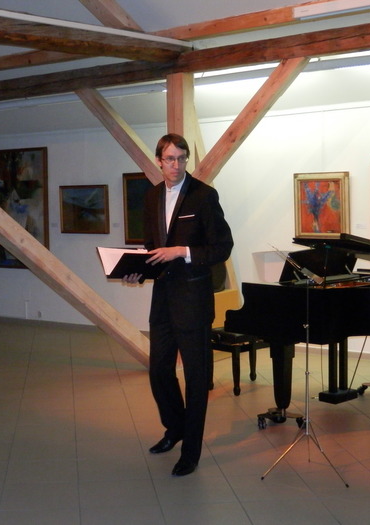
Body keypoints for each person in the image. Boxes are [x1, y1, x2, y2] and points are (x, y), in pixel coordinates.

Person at [124, 133, 233, 477]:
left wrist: (182, 252)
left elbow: (222, 247)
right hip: (163, 299)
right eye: (170, 159)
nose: (176, 165)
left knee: (197, 379)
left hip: (194, 300)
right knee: (159, 371)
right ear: (159, 161)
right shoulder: (152, 196)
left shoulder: (204, 195)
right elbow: (152, 247)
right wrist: (138, 272)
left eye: (181, 158)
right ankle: (175, 428)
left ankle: (191, 451)